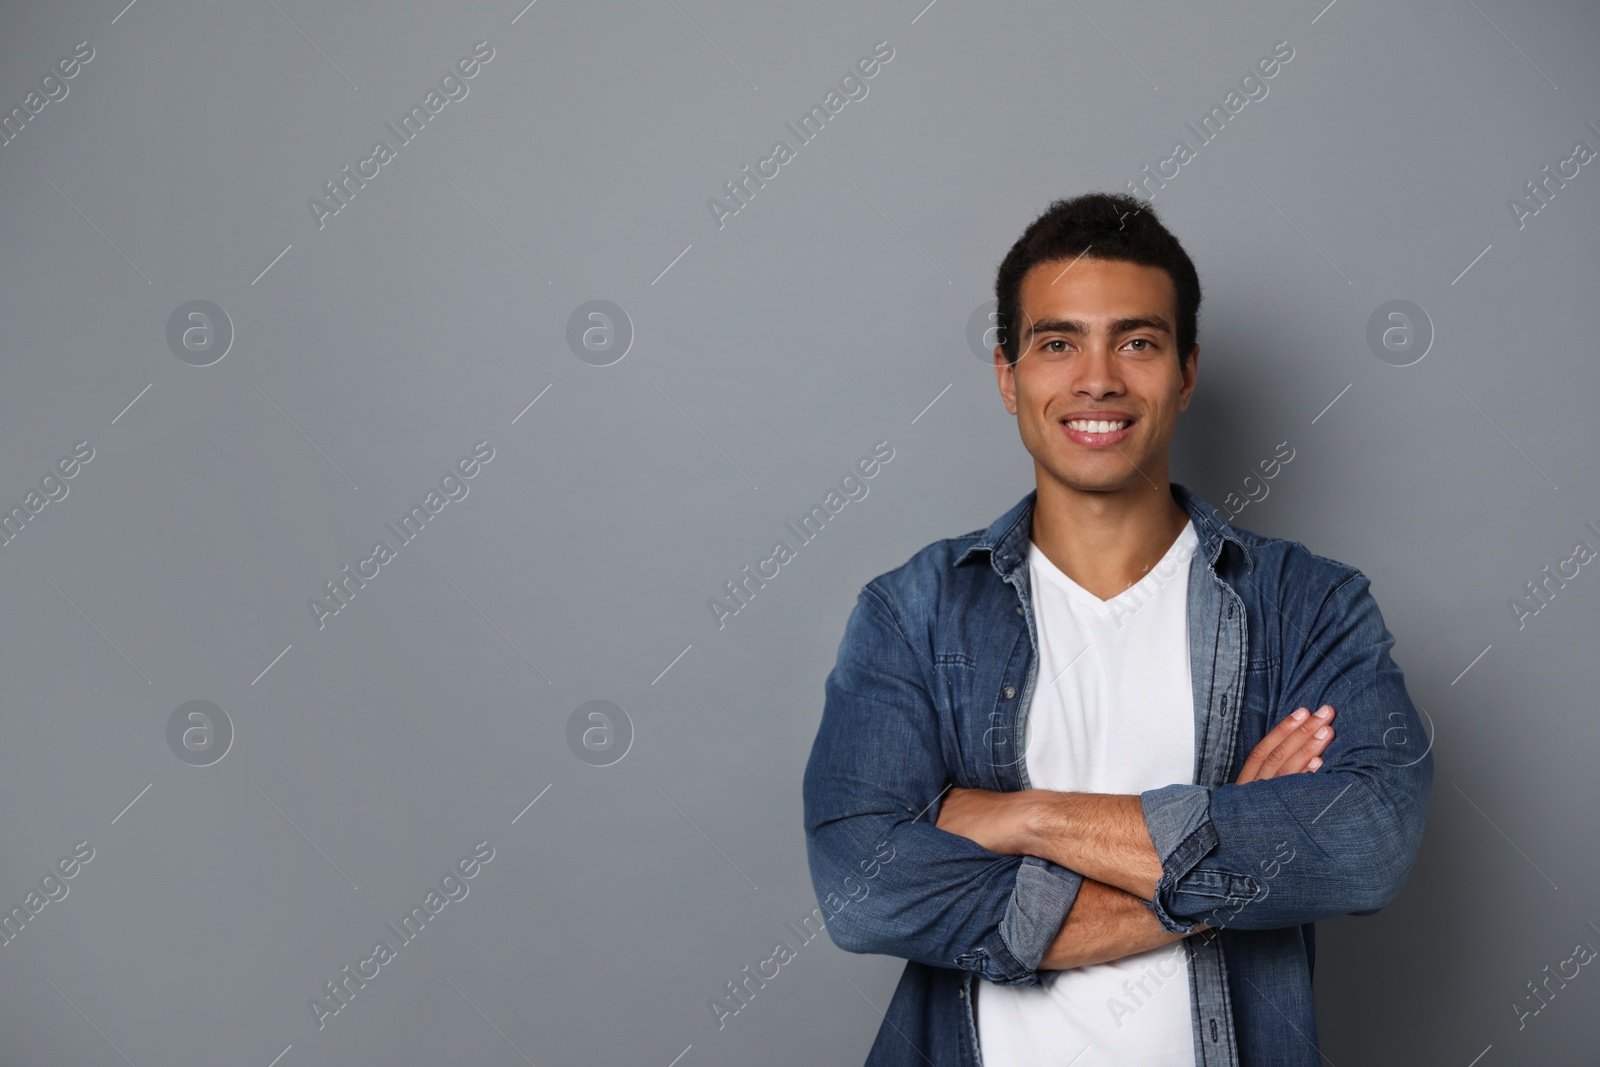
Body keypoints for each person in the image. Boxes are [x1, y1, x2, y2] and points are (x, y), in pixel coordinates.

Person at [801, 192, 1433, 1067]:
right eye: (1057, 342)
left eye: (1137, 341)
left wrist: (1023, 816)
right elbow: (861, 890)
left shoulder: (1308, 604)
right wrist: (1234, 853)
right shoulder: (913, 612)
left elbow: (1366, 845)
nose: (1097, 378)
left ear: (1186, 372)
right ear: (1006, 375)